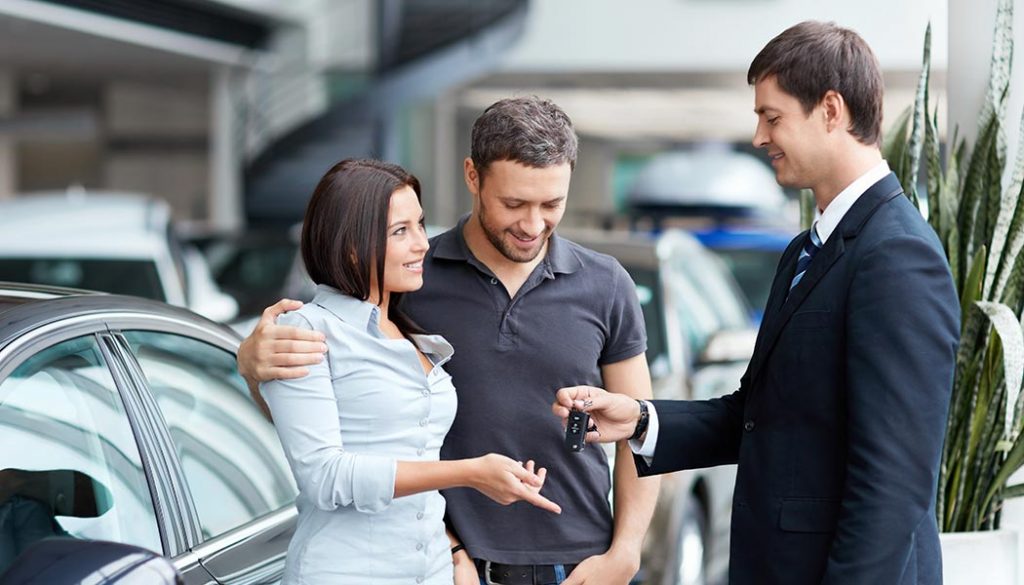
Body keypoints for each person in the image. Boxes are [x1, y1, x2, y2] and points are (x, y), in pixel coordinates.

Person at [553, 21, 960, 585]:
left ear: (831, 110)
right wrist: (641, 420)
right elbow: (758, 416)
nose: (759, 137)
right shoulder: (806, 249)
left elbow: (893, 482)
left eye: (772, 117)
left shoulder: (897, 255)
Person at [239, 97, 660, 585]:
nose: (532, 224)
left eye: (552, 204)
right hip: (454, 566)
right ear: (473, 176)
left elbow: (642, 429)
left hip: (580, 563)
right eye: (514, 203)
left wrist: (626, 552)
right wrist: (251, 367)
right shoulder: (409, 280)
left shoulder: (606, 284)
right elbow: (333, 424)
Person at [259, 158, 561, 585]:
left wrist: (452, 551)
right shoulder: (307, 331)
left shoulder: (406, 329)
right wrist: (470, 473)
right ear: (351, 245)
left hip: (430, 570)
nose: (422, 243)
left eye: (420, 224)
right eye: (401, 231)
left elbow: (416, 451)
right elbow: (324, 477)